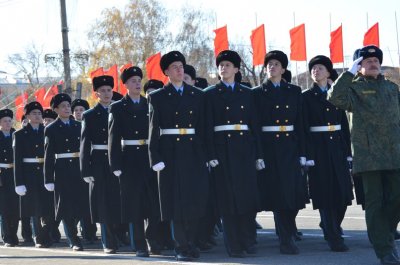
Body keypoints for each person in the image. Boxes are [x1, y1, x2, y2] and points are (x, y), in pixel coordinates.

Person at [328, 45, 400, 265]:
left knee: (396, 200)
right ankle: (384, 249)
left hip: (394, 154)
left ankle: (383, 235)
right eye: (367, 61)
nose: (373, 63)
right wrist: (348, 73)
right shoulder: (353, 89)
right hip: (368, 156)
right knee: (375, 202)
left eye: (376, 60)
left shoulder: (391, 88)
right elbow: (334, 97)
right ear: (358, 66)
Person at [148, 51, 209, 261]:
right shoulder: (157, 97)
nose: (179, 69)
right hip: (169, 153)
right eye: (174, 67)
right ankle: (181, 246)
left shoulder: (197, 95)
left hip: (192, 152)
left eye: (181, 66)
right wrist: (154, 158)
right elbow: (153, 131)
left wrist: (206, 155)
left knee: (193, 201)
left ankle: (190, 242)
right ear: (166, 72)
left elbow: (202, 128)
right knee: (175, 204)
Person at [204, 50, 263, 257]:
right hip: (222, 152)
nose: (223, 68)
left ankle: (248, 240)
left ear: (236, 69)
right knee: (227, 201)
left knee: (247, 198)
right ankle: (234, 245)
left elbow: (254, 125)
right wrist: (210, 154)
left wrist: (259, 155)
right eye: (221, 65)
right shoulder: (210, 94)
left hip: (244, 151)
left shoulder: (247, 93)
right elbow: (207, 126)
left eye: (228, 65)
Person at [253, 50, 306, 255]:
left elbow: (300, 123)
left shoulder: (294, 91)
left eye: (276, 64)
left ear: (283, 69)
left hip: (290, 147)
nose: (272, 67)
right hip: (269, 148)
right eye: (269, 64)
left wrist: (303, 152)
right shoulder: (258, 93)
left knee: (293, 195)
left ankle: (288, 230)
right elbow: (255, 126)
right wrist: (258, 154)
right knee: (277, 195)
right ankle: (285, 239)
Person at [303, 55, 353, 252]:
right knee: (324, 194)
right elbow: (304, 127)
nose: (316, 71)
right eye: (313, 68)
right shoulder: (305, 97)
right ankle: (333, 236)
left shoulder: (336, 94)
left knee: (342, 194)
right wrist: (307, 154)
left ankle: (330, 225)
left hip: (337, 148)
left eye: (320, 68)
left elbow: (344, 124)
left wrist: (348, 151)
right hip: (318, 149)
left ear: (328, 72)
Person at [109, 66, 160, 257]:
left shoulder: (150, 103)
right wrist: (115, 164)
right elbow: (113, 138)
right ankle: (139, 244)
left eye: (139, 80)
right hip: (129, 159)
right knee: (135, 205)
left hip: (149, 157)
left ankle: (152, 238)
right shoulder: (117, 107)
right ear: (125, 85)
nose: (137, 83)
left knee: (154, 202)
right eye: (133, 81)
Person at [80, 75, 121, 254]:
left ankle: (121, 236)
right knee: (103, 202)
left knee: (118, 200)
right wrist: (85, 169)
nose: (106, 93)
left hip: (119, 159)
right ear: (96, 94)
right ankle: (108, 241)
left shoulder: (119, 110)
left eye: (109, 90)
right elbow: (84, 144)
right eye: (102, 91)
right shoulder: (89, 115)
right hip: (99, 161)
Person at [44, 93, 88, 251]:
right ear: (56, 109)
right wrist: (48, 178)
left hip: (78, 168)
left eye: (68, 106)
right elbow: (48, 156)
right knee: (66, 206)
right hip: (62, 170)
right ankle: (73, 239)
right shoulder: (51, 128)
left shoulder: (78, 125)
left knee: (81, 204)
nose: (67, 108)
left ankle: (74, 232)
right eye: (63, 106)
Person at [13, 102, 53, 248]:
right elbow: (17, 160)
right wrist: (19, 182)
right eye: (34, 113)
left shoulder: (48, 131)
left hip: (45, 172)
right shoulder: (20, 134)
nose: (37, 116)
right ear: (27, 116)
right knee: (35, 208)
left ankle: (44, 234)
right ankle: (39, 237)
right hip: (29, 174)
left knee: (48, 207)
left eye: (39, 113)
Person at [0, 109, 19, 247]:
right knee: (4, 208)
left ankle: (14, 235)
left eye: (9, 120)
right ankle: (7, 236)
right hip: (2, 174)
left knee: (15, 208)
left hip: (15, 174)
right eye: (4, 121)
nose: (7, 123)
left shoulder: (17, 135)